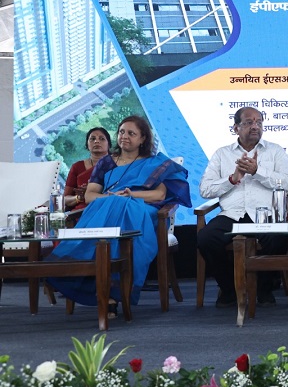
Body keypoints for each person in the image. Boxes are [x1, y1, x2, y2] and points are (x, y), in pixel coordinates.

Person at [47, 116, 190, 311]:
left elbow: (159, 194)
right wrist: (113, 198)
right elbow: (90, 195)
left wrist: (131, 195)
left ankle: (111, 289)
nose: (124, 136)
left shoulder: (156, 163)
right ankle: (106, 288)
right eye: (122, 132)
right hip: (108, 208)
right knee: (115, 204)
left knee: (124, 206)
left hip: (144, 210)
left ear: (143, 139)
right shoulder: (106, 163)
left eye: (131, 133)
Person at [197, 106, 288, 308]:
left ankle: (264, 288)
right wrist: (232, 179)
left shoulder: (275, 151)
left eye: (259, 122)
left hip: (265, 214)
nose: (255, 126)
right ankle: (230, 288)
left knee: (279, 237)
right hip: (231, 215)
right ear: (236, 128)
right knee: (206, 239)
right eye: (249, 122)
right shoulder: (222, 154)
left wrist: (257, 171)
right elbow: (205, 190)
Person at [64, 127, 112, 212]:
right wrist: (79, 197)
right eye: (92, 139)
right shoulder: (77, 166)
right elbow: (65, 200)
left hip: (107, 208)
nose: (96, 141)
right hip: (80, 212)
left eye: (102, 139)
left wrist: (93, 191)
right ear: (87, 145)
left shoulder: (116, 165)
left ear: (109, 144)